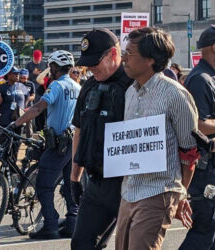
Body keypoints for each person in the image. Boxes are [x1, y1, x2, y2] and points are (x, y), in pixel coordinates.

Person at [116, 27, 198, 250]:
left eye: (130, 53)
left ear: (150, 59)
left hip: (159, 191)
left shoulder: (175, 94)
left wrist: (180, 194)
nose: (124, 58)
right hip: (129, 189)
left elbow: (190, 152)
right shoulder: (130, 92)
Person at [69, 28, 133, 249]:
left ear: (114, 54)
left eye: (95, 62)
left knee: (130, 244)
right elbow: (79, 131)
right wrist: (74, 178)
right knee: (81, 243)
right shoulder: (89, 86)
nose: (90, 68)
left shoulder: (134, 85)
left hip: (126, 184)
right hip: (95, 181)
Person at [11, 50, 80, 239]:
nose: (50, 69)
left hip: (58, 143)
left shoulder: (56, 86)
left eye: (51, 66)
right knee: (69, 186)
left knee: (43, 186)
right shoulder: (77, 86)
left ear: (56, 67)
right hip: (74, 142)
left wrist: (15, 123)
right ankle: (72, 223)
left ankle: (50, 224)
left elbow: (38, 107)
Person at [179, 24, 215, 250]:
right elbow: (196, 126)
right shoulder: (200, 79)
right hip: (206, 169)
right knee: (203, 233)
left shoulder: (210, 77)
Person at [26, 50, 48, 131]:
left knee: (43, 107)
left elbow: (48, 76)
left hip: (42, 88)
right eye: (36, 59)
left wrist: (41, 75)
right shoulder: (29, 65)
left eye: (38, 59)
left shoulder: (44, 64)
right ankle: (35, 127)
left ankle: (41, 126)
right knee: (35, 107)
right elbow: (25, 77)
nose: (37, 61)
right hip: (32, 87)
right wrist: (32, 74)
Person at [19, 68, 35, 138]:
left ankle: (30, 140)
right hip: (19, 107)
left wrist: (27, 99)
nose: (23, 79)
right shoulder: (17, 83)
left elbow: (33, 96)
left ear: (28, 76)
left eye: (25, 78)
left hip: (28, 106)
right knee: (19, 123)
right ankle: (18, 139)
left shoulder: (30, 84)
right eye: (22, 78)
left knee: (29, 124)